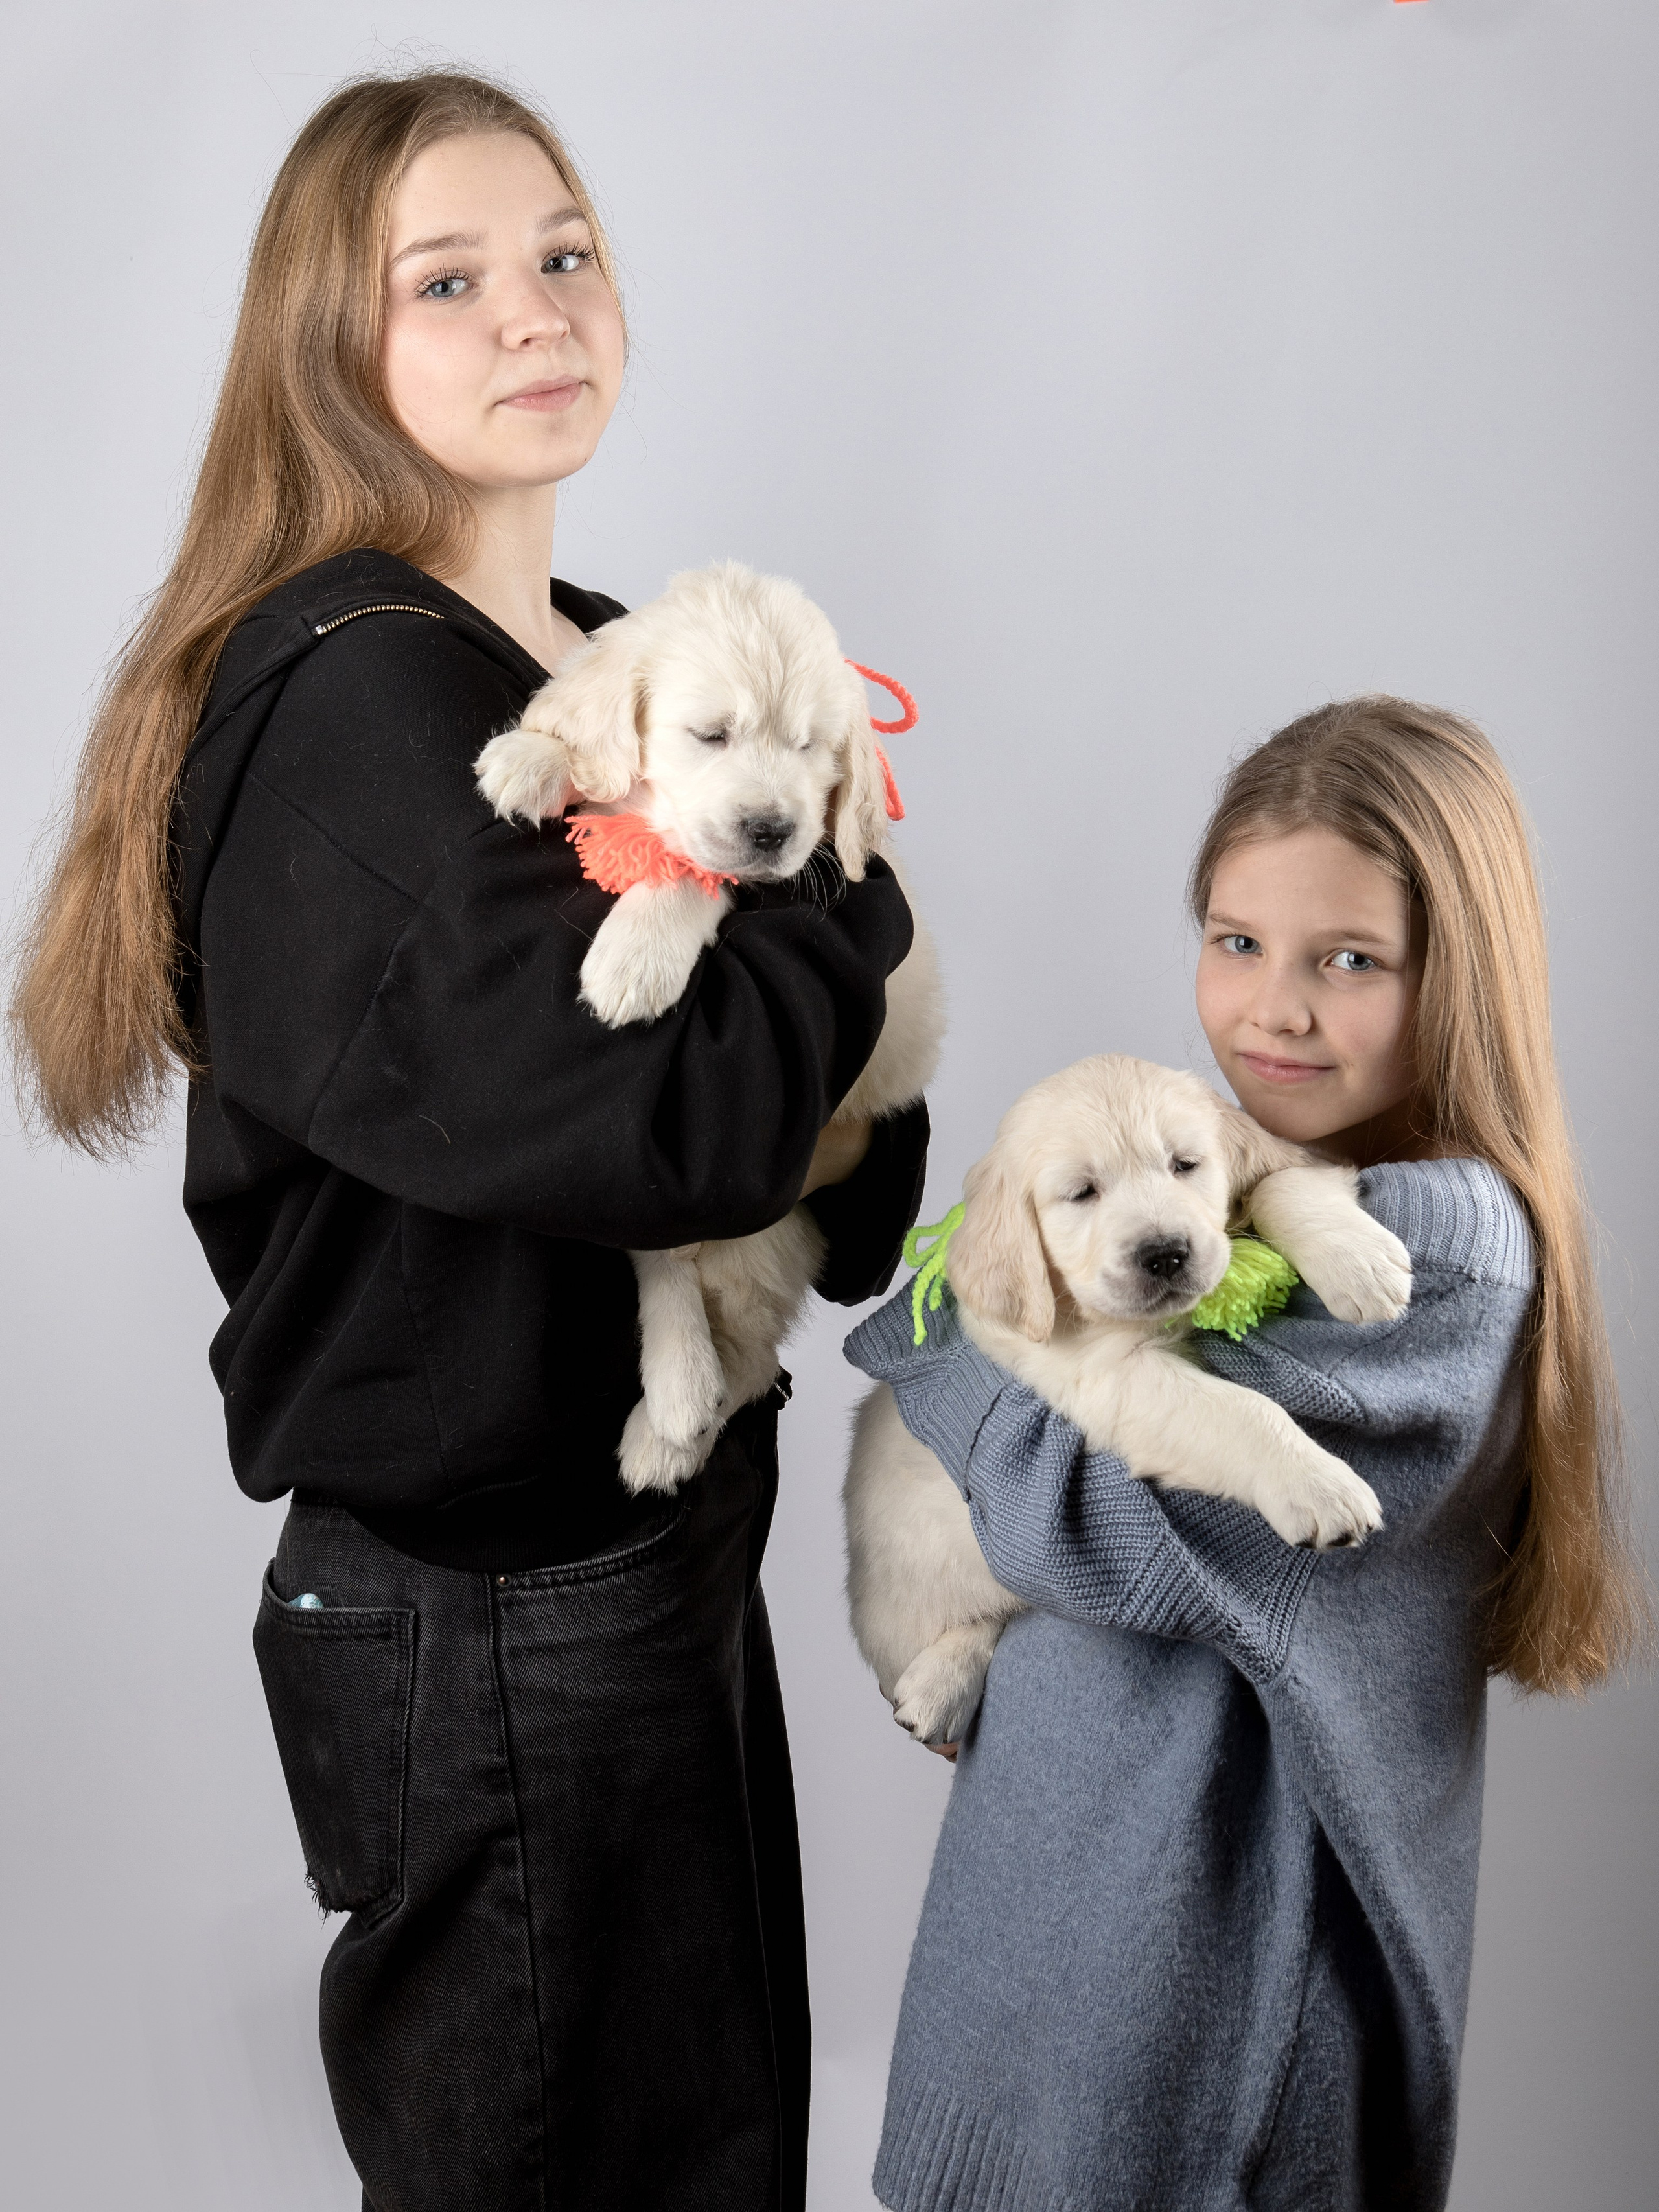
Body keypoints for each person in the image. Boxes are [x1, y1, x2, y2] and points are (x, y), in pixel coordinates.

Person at [9, 69, 927, 2212]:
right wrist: (856, 902)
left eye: (564, 252)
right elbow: (673, 1124)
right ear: (335, 345)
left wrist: (816, 1016)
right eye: (449, 279)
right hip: (494, 1613)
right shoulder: (361, 702)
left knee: (705, 2170)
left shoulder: (607, 650)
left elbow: (842, 1181)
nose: (536, 310)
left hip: (648, 1552)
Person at [846, 697, 1644, 2212]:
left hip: (1193, 2051)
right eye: (1234, 942)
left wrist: (973, 1355)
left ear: (1453, 980)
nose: (1270, 1010)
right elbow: (950, 1332)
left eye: (1346, 961)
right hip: (1039, 1988)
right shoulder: (1223, 1173)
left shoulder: (1436, 1258)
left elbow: (1086, 1519)